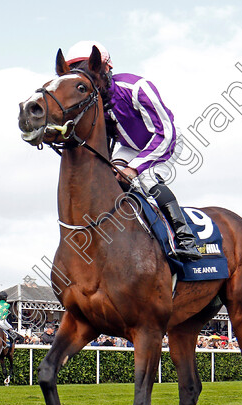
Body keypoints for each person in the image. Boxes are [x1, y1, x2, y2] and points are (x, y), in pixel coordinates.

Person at [64, 40, 202, 262]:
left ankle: (185, 238)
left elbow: (165, 132)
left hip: (166, 141)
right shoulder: (95, 102)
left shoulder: (136, 88)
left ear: (106, 68)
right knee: (109, 180)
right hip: (130, 147)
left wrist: (134, 168)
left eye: (90, 70)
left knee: (147, 178)